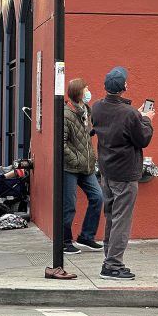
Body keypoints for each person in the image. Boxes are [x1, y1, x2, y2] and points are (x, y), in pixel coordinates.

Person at [91, 66, 154, 280]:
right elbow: (143, 138)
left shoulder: (97, 107)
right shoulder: (130, 114)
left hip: (107, 170)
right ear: (124, 87)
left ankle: (109, 259)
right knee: (121, 219)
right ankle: (113, 264)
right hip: (125, 172)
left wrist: (137, 115)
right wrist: (146, 118)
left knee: (111, 216)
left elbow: (114, 122)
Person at [62, 78, 104, 255]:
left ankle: (86, 236)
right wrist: (76, 159)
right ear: (78, 92)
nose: (89, 92)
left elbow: (84, 136)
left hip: (86, 167)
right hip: (70, 167)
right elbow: (61, 143)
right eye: (86, 89)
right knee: (69, 205)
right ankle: (64, 241)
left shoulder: (86, 110)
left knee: (98, 197)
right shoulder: (65, 113)